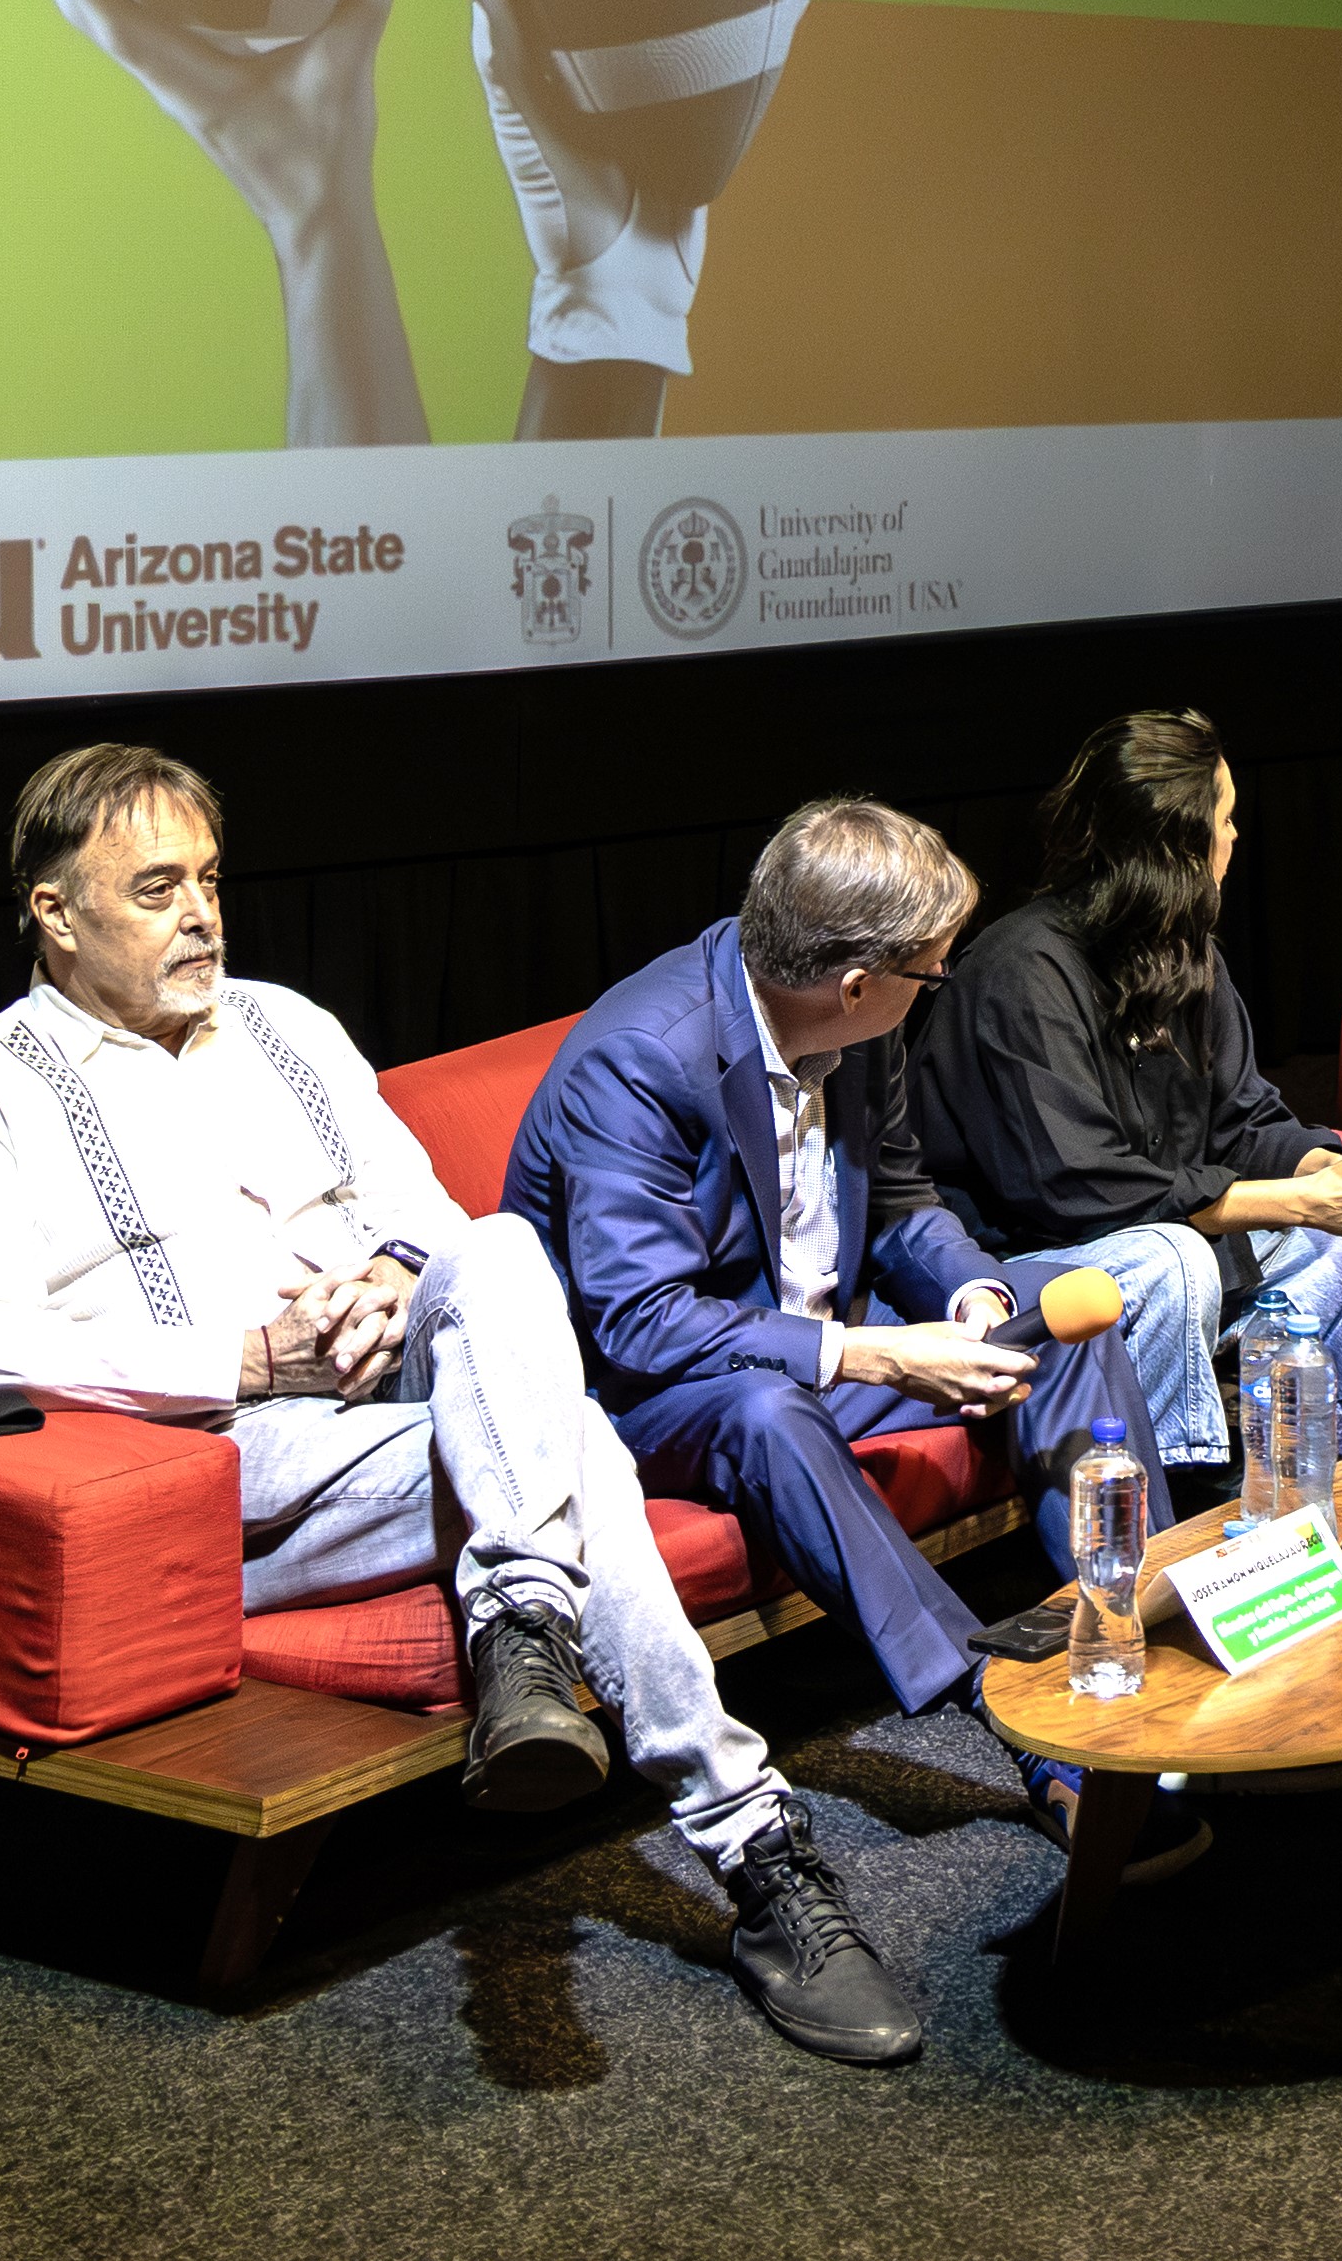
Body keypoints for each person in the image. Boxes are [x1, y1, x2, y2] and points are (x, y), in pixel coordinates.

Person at [0, 743, 926, 2066]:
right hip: (230, 1457)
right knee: (571, 1449)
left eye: (208, 878)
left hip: (402, 1390)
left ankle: (522, 1622)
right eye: (156, 888)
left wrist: (391, 1271)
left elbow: (431, 1215)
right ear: (54, 910)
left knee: (493, 1245)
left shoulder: (287, 1023)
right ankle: (752, 1842)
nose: (200, 913)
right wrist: (246, 1359)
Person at [504, 794, 1218, 1879]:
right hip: (654, 1392)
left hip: (819, 1339)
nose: (939, 982)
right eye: (930, 969)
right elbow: (639, 1323)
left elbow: (895, 1198)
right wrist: (878, 1353)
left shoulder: (856, 1026)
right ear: (856, 981)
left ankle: (1136, 1636)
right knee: (768, 1406)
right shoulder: (640, 1059)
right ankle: (1003, 1705)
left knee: (1056, 1314)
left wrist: (970, 1297)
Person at [907, 710, 1342, 1490]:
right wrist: (1300, 1201)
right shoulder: (1021, 972)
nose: (1235, 836)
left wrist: (1336, 1181)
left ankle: (1295, 1439)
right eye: (1225, 818)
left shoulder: (1189, 953)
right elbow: (1081, 1188)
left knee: (1337, 1219)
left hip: (1154, 1232)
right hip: (1025, 1259)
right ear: (1179, 848)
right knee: (1174, 1253)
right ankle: (1180, 1487)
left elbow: (1245, 1120)